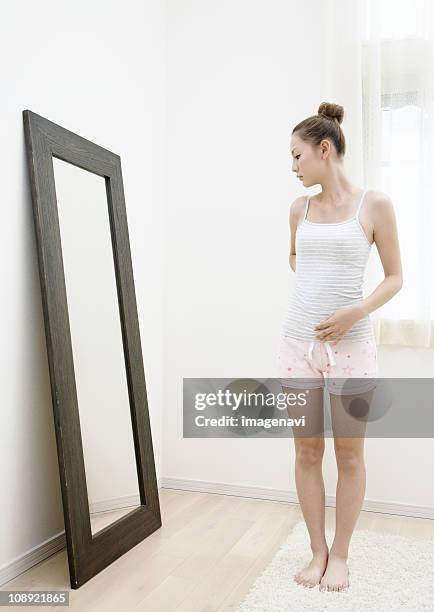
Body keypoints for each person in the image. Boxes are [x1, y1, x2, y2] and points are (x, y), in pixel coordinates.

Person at [276, 101, 403, 592]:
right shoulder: (298, 209)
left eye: (297, 156)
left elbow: (395, 278)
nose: (292, 168)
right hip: (297, 345)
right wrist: (315, 299)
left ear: (323, 150)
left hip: (353, 348)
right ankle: (317, 551)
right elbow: (295, 258)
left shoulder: (375, 205)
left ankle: (342, 554)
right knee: (307, 452)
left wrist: (352, 311)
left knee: (349, 455)